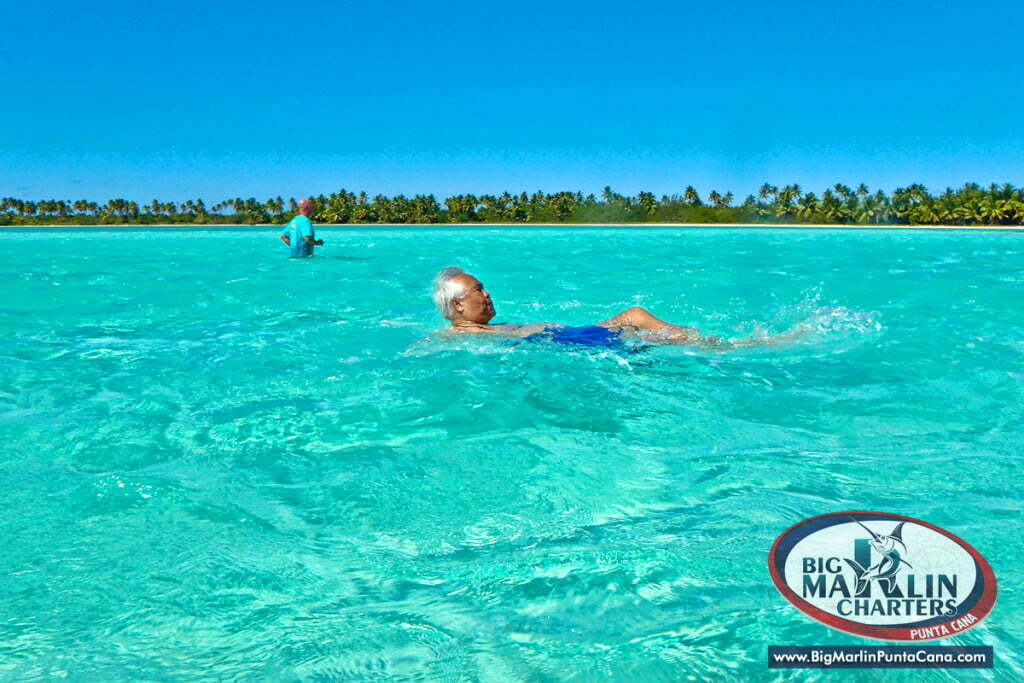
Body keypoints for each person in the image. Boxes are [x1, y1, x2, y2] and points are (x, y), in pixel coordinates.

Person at [431, 266, 732, 347]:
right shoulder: (461, 333)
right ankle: (716, 345)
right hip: (571, 343)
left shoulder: (482, 328)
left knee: (635, 316)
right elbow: (438, 341)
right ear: (458, 304)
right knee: (635, 319)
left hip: (574, 336)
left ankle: (708, 343)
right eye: (478, 289)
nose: (486, 294)